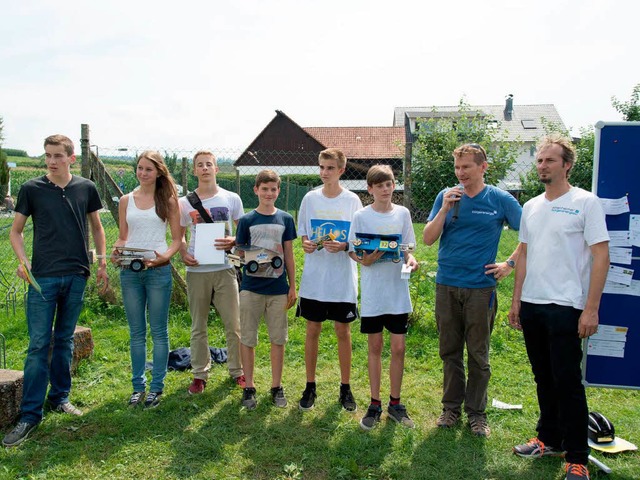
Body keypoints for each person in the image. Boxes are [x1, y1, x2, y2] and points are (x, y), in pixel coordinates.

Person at [509, 135, 609, 480]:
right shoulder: (531, 206)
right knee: (543, 378)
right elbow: (523, 255)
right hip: (533, 305)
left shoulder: (586, 202)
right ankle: (548, 438)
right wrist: (516, 300)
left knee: (567, 382)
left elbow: (601, 256)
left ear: (567, 165)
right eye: (539, 160)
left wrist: (591, 308)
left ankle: (577, 457)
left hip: (567, 306)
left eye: (550, 160)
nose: (542, 165)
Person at [3, 134, 108, 448]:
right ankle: (29, 415)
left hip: (77, 275)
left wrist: (101, 263)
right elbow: (16, 232)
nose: (51, 161)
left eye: (58, 156)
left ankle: (60, 398)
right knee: (38, 343)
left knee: (63, 339)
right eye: (47, 155)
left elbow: (98, 227)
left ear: (71, 158)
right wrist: (23, 262)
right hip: (43, 279)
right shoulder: (32, 189)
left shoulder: (86, 188)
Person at [423, 143, 522, 437]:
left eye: (466, 166)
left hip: (481, 288)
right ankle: (451, 409)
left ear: (483, 167)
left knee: (478, 354)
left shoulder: (500, 199)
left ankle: (477, 413)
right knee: (449, 351)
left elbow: (531, 233)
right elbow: (428, 238)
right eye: (457, 167)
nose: (461, 173)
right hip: (447, 285)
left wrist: (510, 263)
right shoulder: (446, 196)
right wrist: (444, 209)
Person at [349, 164, 418, 430]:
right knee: (375, 348)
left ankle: (396, 404)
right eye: (379, 185)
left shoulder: (403, 214)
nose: (385, 189)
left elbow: (408, 249)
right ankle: (375, 404)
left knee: (399, 348)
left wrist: (411, 261)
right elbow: (353, 251)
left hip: (397, 293)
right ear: (370, 189)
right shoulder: (361, 216)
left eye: (389, 184)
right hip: (374, 295)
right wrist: (363, 261)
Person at [113, 151, 182, 409]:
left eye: (148, 170)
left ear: (158, 173)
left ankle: (156, 387)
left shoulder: (168, 201)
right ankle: (137, 386)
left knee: (159, 332)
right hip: (130, 272)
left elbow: (177, 240)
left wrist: (163, 258)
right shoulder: (125, 200)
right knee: (136, 332)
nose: (143, 173)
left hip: (157, 272)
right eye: (140, 168)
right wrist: (116, 250)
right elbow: (123, 236)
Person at [296, 148, 362, 412]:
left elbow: (358, 239)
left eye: (330, 168)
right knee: (312, 330)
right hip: (315, 280)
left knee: (342, 332)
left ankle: (345, 388)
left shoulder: (352, 201)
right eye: (321, 167)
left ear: (341, 170)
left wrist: (345, 245)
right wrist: (308, 245)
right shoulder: (310, 199)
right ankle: (310, 385)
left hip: (342, 281)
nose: (325, 172)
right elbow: (303, 236)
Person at [179, 150, 245, 394]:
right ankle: (199, 374)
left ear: (217, 169)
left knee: (234, 323)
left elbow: (243, 232)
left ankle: (238, 371)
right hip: (197, 271)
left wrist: (234, 240)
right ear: (195, 171)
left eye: (209, 164)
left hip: (226, 269)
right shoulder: (184, 202)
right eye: (200, 165)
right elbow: (180, 236)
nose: (205, 168)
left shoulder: (231, 198)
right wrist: (183, 253)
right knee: (199, 325)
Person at [235, 170, 297, 410]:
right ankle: (249, 386)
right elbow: (240, 252)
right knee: (248, 337)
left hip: (278, 288)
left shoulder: (285, 219)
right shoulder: (248, 220)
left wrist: (292, 285)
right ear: (256, 190)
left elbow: (289, 254)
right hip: (251, 287)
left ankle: (276, 386)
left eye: (273, 189)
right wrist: (248, 257)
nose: (269, 193)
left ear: (278, 191)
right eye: (265, 189)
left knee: (277, 338)